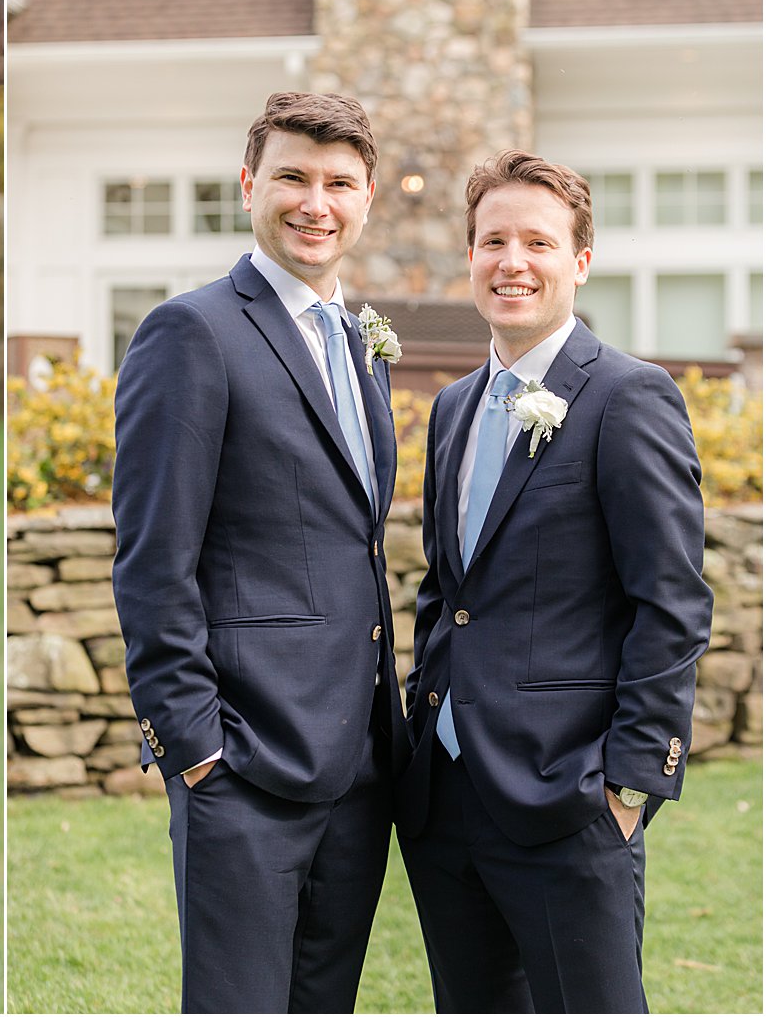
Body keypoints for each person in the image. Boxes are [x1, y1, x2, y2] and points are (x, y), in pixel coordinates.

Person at [111, 91, 407, 1013]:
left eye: (339, 184)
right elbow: (153, 558)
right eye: (292, 177)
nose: (315, 202)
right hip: (242, 759)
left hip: (360, 763)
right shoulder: (191, 333)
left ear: (366, 201)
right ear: (248, 185)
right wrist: (194, 746)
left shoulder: (361, 342)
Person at [396, 151, 712, 1013]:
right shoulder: (455, 408)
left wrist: (629, 782)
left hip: (571, 801)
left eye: (538, 241)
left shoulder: (629, 397)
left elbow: (673, 602)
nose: (512, 262)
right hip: (447, 802)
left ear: (578, 261)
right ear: (470, 258)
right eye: (492, 240)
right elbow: (447, 590)